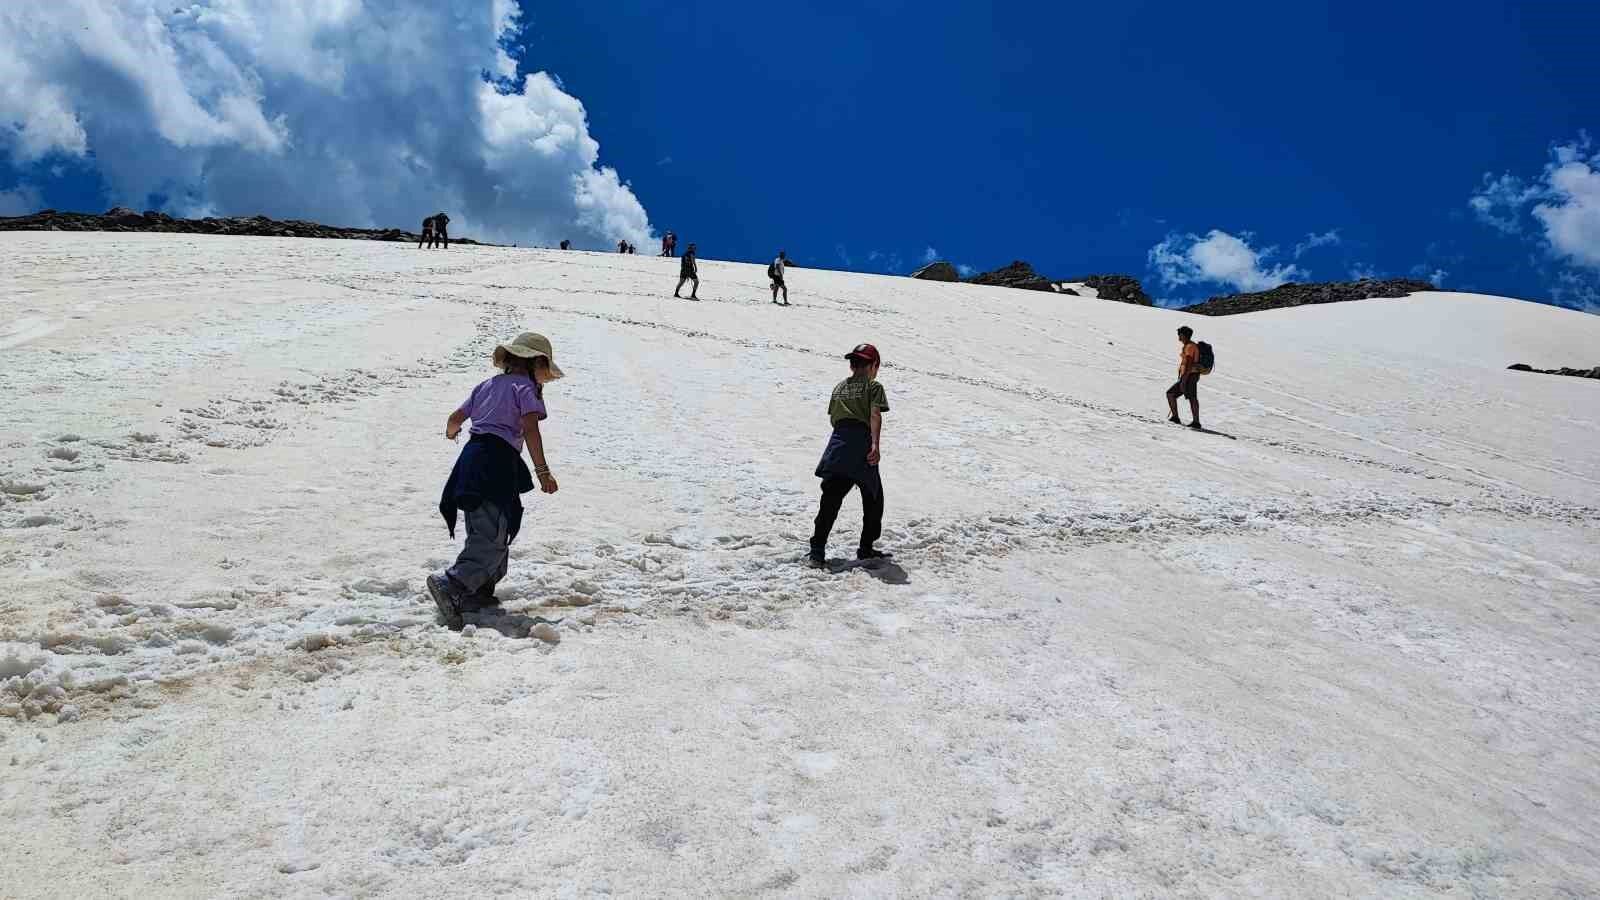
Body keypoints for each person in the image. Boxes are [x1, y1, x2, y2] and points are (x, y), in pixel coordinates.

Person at [430, 333, 563, 628]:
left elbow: (455, 418)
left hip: (471, 460)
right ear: (536, 363)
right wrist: (542, 471)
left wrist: (452, 433)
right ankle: (452, 584)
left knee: (487, 527)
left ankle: (476, 590)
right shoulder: (524, 388)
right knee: (492, 535)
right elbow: (531, 430)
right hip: (496, 463)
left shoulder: (486, 385)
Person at [809, 343, 891, 567]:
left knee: (830, 500)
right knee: (874, 499)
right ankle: (866, 548)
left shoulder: (839, 388)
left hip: (837, 445)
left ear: (852, 366)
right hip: (861, 446)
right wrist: (874, 445)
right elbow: (875, 415)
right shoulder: (874, 387)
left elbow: (834, 418)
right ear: (874, 366)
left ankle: (817, 551)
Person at [1166, 325, 1203, 429]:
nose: (1178, 336)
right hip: (1190, 375)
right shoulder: (1189, 345)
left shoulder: (1190, 347)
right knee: (1173, 394)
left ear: (1183, 335)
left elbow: (1189, 364)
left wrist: (1184, 380)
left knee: (1189, 397)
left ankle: (1195, 422)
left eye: (1179, 334)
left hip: (1189, 376)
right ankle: (1178, 418)